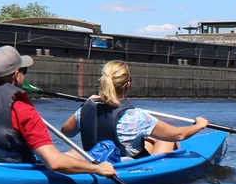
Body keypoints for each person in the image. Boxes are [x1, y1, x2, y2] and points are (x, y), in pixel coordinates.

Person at [0, 46, 118, 178]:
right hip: (12, 172)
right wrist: (98, 169)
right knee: (92, 153)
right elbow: (54, 162)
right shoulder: (21, 107)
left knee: (74, 153)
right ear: (16, 75)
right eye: (24, 71)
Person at [59, 60, 208, 159]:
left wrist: (87, 104)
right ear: (128, 84)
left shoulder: (85, 110)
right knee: (168, 140)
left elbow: (66, 132)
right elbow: (179, 135)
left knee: (151, 137)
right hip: (124, 164)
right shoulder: (136, 116)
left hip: (97, 157)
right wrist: (199, 125)